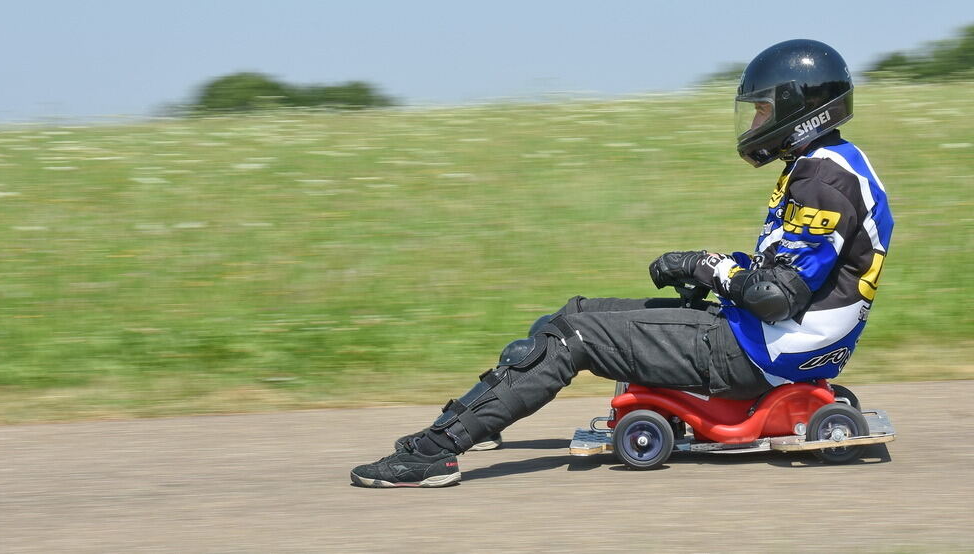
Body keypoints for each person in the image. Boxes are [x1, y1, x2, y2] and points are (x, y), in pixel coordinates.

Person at [350, 38, 893, 488]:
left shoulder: (821, 180)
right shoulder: (834, 165)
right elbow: (787, 271)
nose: (755, 121)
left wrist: (706, 266)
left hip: (758, 351)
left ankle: (437, 450)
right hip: (772, 341)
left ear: (800, 108)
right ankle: (483, 416)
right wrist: (708, 265)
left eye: (763, 108)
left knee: (570, 336)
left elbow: (777, 295)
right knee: (575, 311)